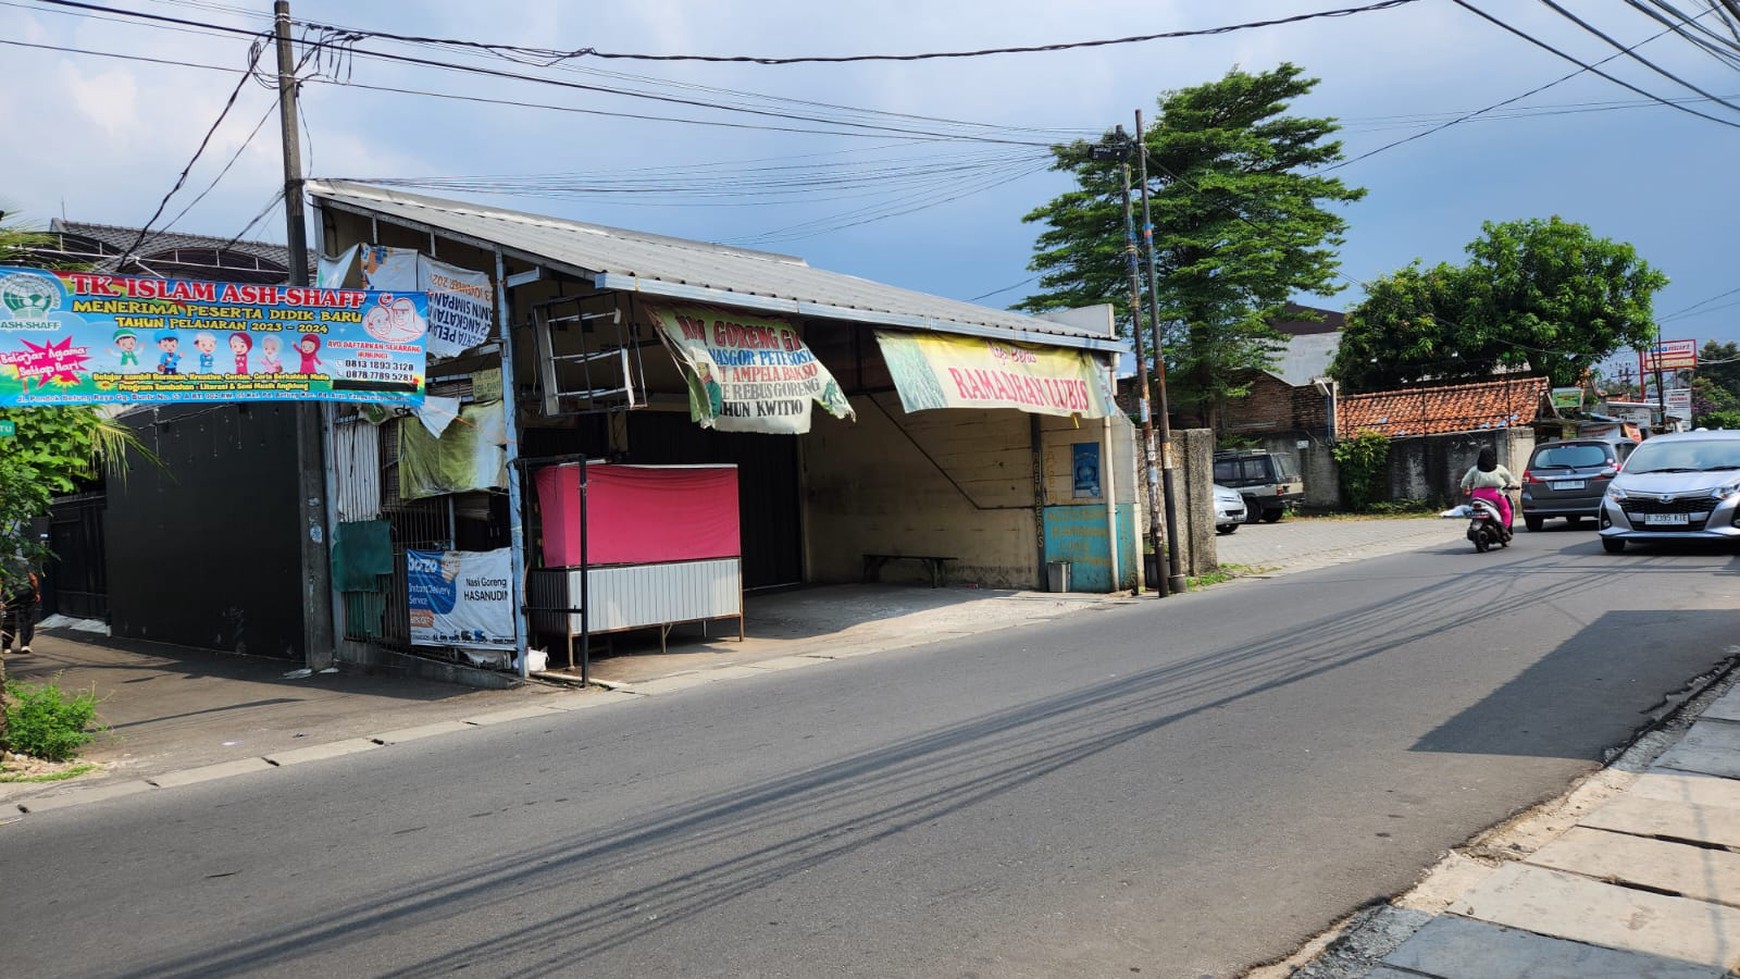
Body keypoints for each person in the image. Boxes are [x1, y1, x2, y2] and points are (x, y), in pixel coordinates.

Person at [1460, 446, 1518, 533]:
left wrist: (1465, 489)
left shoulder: (1474, 469)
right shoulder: (1499, 468)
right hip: (1496, 494)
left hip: (1477, 495)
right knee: (1505, 510)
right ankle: (1504, 528)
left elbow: (1465, 482)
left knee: (1473, 510)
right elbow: (1511, 480)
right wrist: (1515, 485)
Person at [2, 559, 39, 656]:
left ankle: (6, 646)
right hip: (25, 591)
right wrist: (36, 592)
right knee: (26, 617)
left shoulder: (2, 562)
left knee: (8, 618)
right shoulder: (24, 561)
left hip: (9, 593)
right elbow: (33, 579)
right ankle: (25, 645)